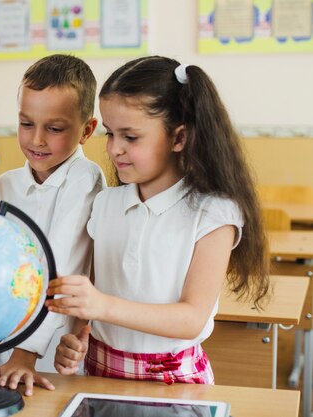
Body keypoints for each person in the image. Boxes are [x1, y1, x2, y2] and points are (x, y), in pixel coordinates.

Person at [46, 55, 270, 385]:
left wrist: (101, 306)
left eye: (130, 137)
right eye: (110, 134)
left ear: (179, 138)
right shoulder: (106, 203)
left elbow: (191, 318)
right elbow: (92, 300)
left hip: (175, 383)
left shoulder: (214, 213)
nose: (113, 149)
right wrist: (78, 338)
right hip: (99, 373)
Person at [0, 54, 105, 395]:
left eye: (54, 129)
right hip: (5, 349)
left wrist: (25, 354)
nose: (37, 140)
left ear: (86, 130)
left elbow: (62, 270)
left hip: (52, 353)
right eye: (26, 124)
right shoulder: (3, 187)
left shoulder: (86, 179)